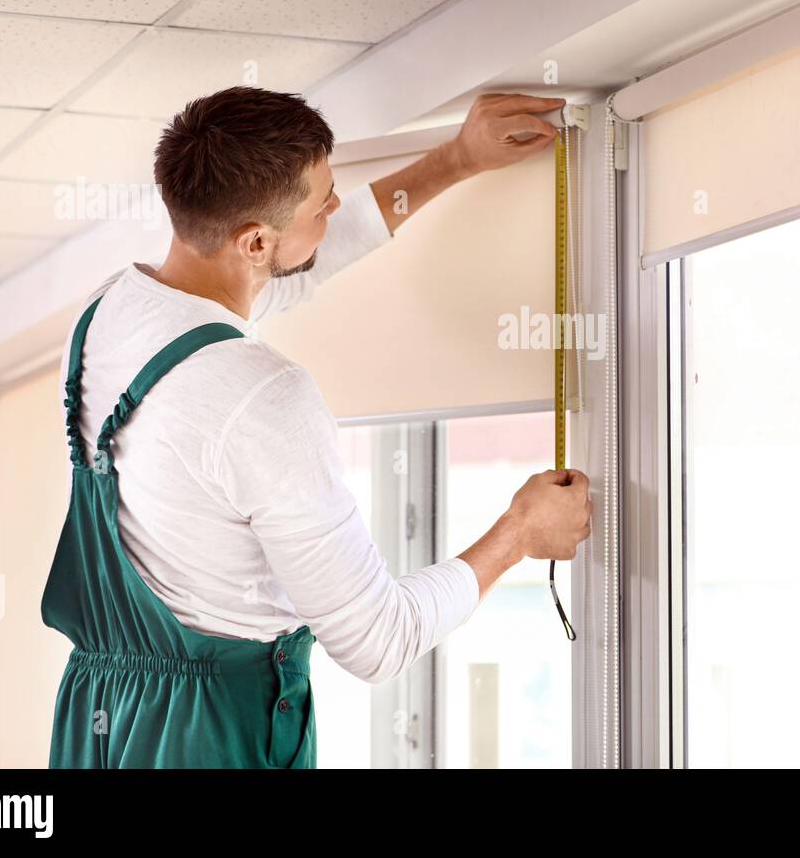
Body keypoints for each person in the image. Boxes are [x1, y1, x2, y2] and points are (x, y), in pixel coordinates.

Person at [40, 87, 592, 768]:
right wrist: (519, 535)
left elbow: (292, 273)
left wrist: (454, 160)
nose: (336, 207)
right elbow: (376, 639)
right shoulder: (264, 396)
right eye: (322, 201)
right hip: (214, 733)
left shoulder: (106, 315)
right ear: (255, 241)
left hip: (102, 717)